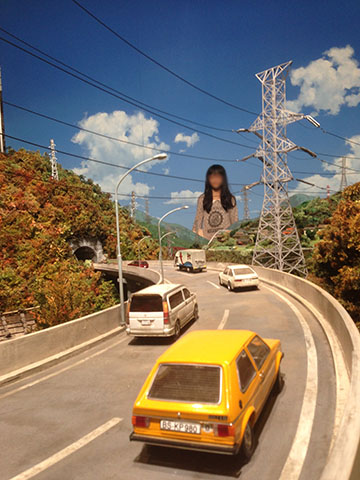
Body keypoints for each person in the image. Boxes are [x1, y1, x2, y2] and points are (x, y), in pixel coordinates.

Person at [192, 164, 238, 240]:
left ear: (223, 179)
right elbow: (197, 221)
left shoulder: (230, 198)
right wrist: (198, 234)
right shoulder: (202, 199)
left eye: (218, 177)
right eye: (212, 177)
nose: (215, 180)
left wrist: (232, 235)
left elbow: (235, 222)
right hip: (207, 240)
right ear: (208, 179)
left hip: (225, 240)